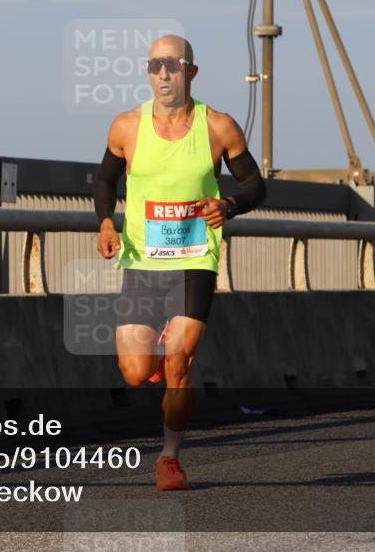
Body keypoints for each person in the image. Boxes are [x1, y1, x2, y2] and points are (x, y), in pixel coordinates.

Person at [94, 35, 267, 491]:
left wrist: (228, 205)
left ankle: (169, 457)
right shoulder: (127, 126)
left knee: (180, 364)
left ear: (191, 71)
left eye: (172, 65)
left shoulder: (219, 127)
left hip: (195, 261)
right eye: (154, 65)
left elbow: (255, 184)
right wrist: (105, 223)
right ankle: (156, 360)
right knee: (134, 372)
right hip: (142, 262)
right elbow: (106, 179)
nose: (163, 74)